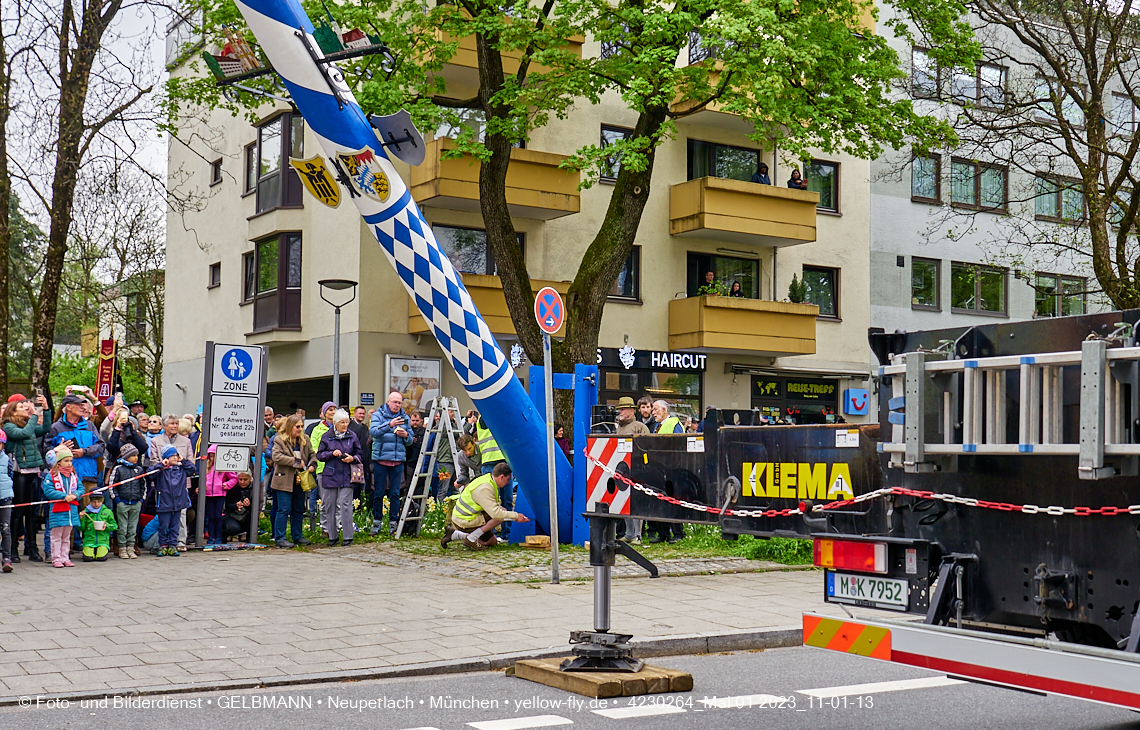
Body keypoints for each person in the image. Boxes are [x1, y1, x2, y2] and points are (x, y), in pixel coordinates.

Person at [3, 394, 50, 563]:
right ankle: (13, 550)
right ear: (13, 412)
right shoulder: (8, 426)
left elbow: (45, 428)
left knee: (32, 513)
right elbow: (25, 433)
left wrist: (45, 408)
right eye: (22, 407)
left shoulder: (27, 423)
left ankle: (33, 549)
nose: (26, 409)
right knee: (18, 512)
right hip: (20, 473)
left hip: (33, 471)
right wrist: (34, 415)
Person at [441, 463, 530, 551]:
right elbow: (496, 514)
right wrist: (516, 516)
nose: (508, 482)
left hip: (468, 516)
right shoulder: (485, 488)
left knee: (492, 542)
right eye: (507, 479)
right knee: (500, 515)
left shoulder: (488, 480)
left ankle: (455, 534)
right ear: (501, 477)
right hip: (464, 519)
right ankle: (471, 538)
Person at [47, 394, 106, 511]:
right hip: (66, 479)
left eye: (83, 405)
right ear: (68, 407)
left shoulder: (90, 425)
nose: (83, 407)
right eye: (79, 405)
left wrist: (84, 452)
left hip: (89, 477)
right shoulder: (56, 427)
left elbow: (101, 446)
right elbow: (47, 451)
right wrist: (60, 449)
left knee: (90, 514)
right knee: (68, 515)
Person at [369, 391, 413, 537]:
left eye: (399, 403)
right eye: (395, 402)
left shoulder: (405, 418)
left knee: (395, 493)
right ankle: (377, 523)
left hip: (397, 460)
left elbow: (410, 440)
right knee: (378, 492)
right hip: (380, 459)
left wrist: (406, 435)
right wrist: (389, 425)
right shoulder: (378, 415)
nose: (397, 405)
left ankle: (393, 523)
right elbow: (373, 432)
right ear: (388, 402)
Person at [315, 409, 361, 546]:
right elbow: (319, 455)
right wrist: (331, 454)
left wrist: (353, 458)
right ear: (335, 423)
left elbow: (360, 453)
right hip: (330, 474)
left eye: (347, 422)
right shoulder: (326, 436)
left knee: (345, 504)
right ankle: (332, 536)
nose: (345, 425)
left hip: (347, 474)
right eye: (342, 422)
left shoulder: (352, 436)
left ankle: (348, 536)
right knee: (329, 506)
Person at [149, 414, 194, 551]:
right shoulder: (155, 441)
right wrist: (164, 464)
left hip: (181, 483)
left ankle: (180, 541)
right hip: (163, 484)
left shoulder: (186, 441)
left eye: (176, 423)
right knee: (164, 517)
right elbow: (153, 461)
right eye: (172, 423)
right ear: (164, 426)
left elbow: (191, 461)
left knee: (181, 515)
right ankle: (163, 543)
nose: (175, 426)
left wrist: (181, 462)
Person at [270, 414, 316, 548]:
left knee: (298, 509)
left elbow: (312, 454)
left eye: (301, 426)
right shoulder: (279, 439)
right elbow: (276, 457)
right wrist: (296, 462)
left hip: (300, 480)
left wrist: (312, 464)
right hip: (283, 479)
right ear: (290, 427)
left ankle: (297, 536)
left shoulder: (305, 439)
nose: (300, 429)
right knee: (283, 509)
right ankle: (280, 538)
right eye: (297, 427)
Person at [649, 401, 685, 543]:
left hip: (672, 468)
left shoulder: (674, 424)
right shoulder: (658, 426)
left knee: (673, 500)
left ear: (664, 409)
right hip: (659, 468)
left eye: (655, 409)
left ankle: (678, 533)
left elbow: (679, 445)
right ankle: (663, 533)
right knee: (660, 500)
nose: (653, 413)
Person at [474, 415, 515, 541]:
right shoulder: (485, 416)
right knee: (490, 501)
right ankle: (492, 535)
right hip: (491, 463)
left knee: (506, 500)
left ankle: (505, 535)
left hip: (501, 462)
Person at [614, 397, 649, 543]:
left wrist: (645, 466)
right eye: (620, 409)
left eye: (623, 409)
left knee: (636, 502)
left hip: (637, 468)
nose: (620, 412)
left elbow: (647, 448)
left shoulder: (639, 427)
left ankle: (637, 535)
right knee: (624, 501)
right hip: (623, 469)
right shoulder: (619, 428)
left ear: (631, 411)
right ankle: (629, 534)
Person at [42, 446, 82, 567]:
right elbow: (48, 491)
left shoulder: (73, 475)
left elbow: (81, 488)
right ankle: (56, 558)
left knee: (66, 536)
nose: (69, 463)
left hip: (71, 511)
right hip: (57, 510)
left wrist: (75, 495)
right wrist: (64, 496)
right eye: (66, 461)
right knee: (56, 536)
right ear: (59, 462)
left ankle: (65, 557)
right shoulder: (52, 475)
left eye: (71, 460)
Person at [154, 444, 196, 557]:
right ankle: (163, 545)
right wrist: (160, 465)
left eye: (176, 455)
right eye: (172, 456)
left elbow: (192, 469)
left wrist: (184, 460)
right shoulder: (161, 471)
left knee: (175, 526)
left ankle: (173, 545)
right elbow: (150, 473)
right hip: (164, 502)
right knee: (163, 526)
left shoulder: (181, 469)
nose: (175, 457)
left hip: (178, 503)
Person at [109, 442, 147, 559]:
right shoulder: (118, 469)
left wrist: (141, 499)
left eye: (137, 455)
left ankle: (131, 547)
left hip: (136, 502)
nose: (136, 458)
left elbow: (143, 485)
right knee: (122, 527)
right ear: (126, 456)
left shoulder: (139, 469)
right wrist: (117, 500)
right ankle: (122, 548)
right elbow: (112, 485)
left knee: (132, 527)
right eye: (133, 455)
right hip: (122, 502)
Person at [203, 445, 238, 546]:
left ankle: (218, 537)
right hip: (208, 494)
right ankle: (211, 537)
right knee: (210, 517)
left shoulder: (225, 467)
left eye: (215, 456)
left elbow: (234, 478)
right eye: (211, 456)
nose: (213, 458)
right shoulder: (206, 466)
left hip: (220, 494)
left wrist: (227, 485)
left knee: (218, 516)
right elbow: (202, 478)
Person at [307, 401, 337, 521]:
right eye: (330, 410)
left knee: (338, 501)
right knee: (325, 499)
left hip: (339, 467)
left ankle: (336, 524)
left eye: (334, 409)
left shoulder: (340, 427)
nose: (333, 412)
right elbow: (314, 448)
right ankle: (325, 525)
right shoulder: (317, 429)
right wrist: (329, 455)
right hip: (323, 467)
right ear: (324, 413)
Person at [79, 493, 117, 562]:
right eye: (94, 502)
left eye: (99, 502)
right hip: (89, 540)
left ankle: (99, 550)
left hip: (102, 541)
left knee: (101, 558)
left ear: (102, 501)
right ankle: (92, 550)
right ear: (91, 502)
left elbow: (114, 526)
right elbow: (81, 528)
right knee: (88, 558)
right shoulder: (86, 512)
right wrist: (81, 519)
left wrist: (107, 525)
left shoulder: (108, 512)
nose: (96, 504)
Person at [348, 406, 372, 503]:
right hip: (354, 461)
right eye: (360, 413)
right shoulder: (350, 427)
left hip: (365, 461)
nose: (362, 415)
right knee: (355, 488)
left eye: (363, 414)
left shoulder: (365, 427)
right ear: (354, 414)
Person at [223, 471, 254, 541]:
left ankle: (249, 539)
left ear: (250, 479)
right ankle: (224, 535)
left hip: (246, 516)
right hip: (231, 515)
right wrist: (235, 506)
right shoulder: (232, 488)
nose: (242, 482)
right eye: (240, 479)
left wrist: (248, 506)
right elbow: (227, 506)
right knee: (234, 528)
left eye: (245, 480)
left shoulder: (254, 489)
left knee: (252, 519)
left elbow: (257, 508)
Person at [0, 430, 12, 572]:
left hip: (5, 497)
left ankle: (7, 558)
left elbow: (10, 475)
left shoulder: (6, 459)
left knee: (5, 528)